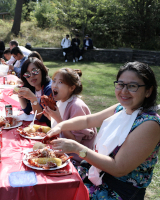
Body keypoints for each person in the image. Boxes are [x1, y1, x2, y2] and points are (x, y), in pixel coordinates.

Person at [47, 61, 160, 199]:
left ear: (148, 91)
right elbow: (88, 120)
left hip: (117, 191)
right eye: (120, 84)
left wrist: (77, 148)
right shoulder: (121, 108)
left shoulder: (150, 124)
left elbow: (118, 168)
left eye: (132, 86)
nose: (124, 91)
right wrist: (61, 126)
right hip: (97, 175)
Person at [43, 68, 97, 166]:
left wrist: (59, 120)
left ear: (71, 88)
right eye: (54, 81)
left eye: (60, 82)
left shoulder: (76, 106)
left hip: (78, 160)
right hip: (62, 151)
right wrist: (52, 118)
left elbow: (76, 142)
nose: (54, 85)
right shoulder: (60, 101)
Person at [13, 57, 52, 126]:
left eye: (35, 71)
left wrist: (33, 99)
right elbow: (27, 110)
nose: (31, 76)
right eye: (27, 74)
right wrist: (20, 94)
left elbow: (42, 118)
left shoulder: (50, 89)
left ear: (42, 71)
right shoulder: (32, 87)